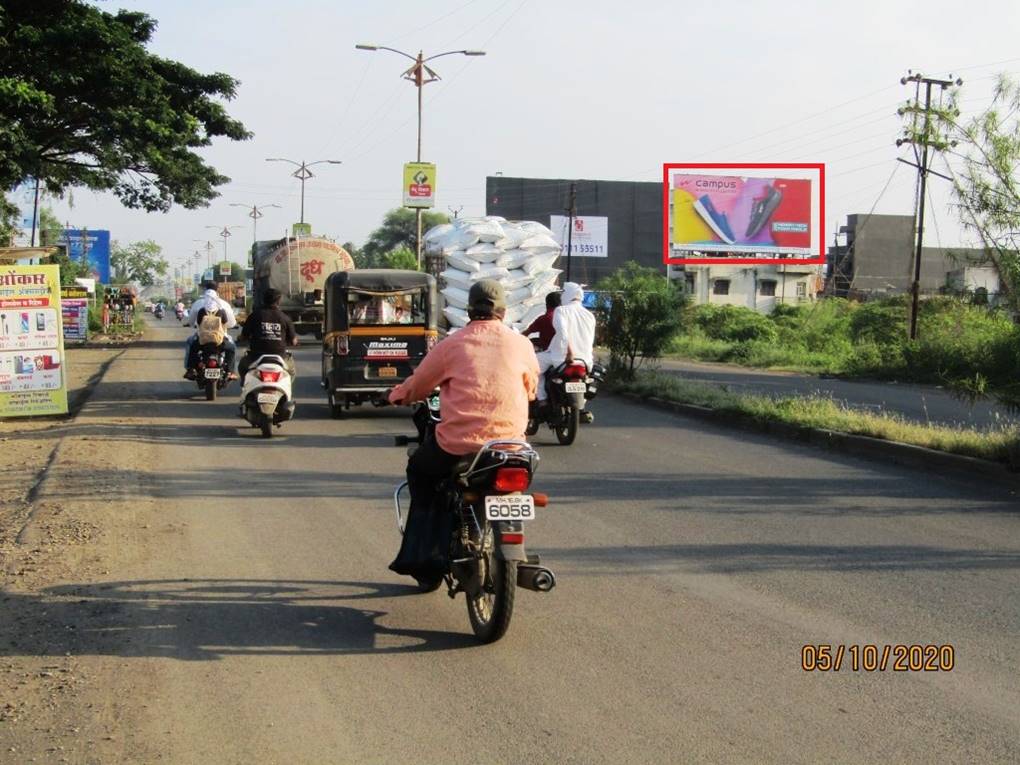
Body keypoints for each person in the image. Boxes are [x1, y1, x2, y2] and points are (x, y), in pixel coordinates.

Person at [387, 279, 539, 579]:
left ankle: (426, 546)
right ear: (503, 312)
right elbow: (532, 389)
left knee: (420, 470)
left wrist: (395, 395)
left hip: (459, 445)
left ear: (469, 310)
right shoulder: (521, 344)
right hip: (512, 449)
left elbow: (417, 387)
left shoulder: (452, 345)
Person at [535, 281, 596, 403]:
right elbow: (591, 339)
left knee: (534, 367)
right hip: (585, 361)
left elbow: (563, 333)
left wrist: (569, 353)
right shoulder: (590, 315)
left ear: (568, 294)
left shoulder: (561, 310)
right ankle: (581, 402)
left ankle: (542, 399)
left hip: (562, 358)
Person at [237, 288, 298, 381]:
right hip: (280, 356)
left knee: (242, 366)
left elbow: (244, 336)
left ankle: (244, 384)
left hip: (256, 356)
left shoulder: (254, 315)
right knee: (292, 372)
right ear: (279, 301)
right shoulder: (285, 318)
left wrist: (241, 339)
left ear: (263, 300)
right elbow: (293, 341)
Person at [184, 281, 237, 379]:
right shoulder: (223, 306)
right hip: (220, 340)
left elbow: (193, 322)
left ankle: (191, 369)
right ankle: (230, 372)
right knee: (232, 348)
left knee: (191, 345)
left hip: (202, 339)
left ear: (205, 290)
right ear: (217, 291)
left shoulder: (199, 305)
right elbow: (231, 323)